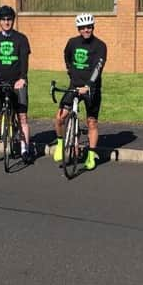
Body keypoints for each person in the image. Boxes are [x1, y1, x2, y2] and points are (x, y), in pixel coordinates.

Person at [53, 13, 107, 170]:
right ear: (78, 29)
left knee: (91, 122)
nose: (86, 30)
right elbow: (67, 56)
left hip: (92, 89)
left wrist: (89, 84)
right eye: (83, 27)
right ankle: (60, 144)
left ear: (93, 27)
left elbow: (98, 67)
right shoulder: (72, 43)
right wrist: (70, 72)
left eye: (89, 27)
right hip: (74, 85)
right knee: (60, 117)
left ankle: (91, 156)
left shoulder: (100, 45)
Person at [0, 5, 31, 164]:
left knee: (22, 117)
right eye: (3, 19)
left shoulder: (21, 39)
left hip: (17, 82)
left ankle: (25, 150)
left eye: (9, 19)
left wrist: (22, 78)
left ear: (13, 20)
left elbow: (24, 61)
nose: (6, 22)